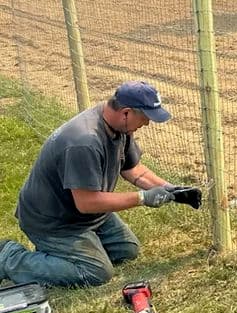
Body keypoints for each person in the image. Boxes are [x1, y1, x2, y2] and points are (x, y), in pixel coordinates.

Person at [0, 80, 186, 288]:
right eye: (145, 118)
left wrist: (173, 190)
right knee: (95, 272)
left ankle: (64, 254)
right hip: (53, 222)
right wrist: (142, 198)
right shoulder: (84, 142)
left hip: (85, 216)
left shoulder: (119, 128)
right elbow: (87, 203)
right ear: (126, 112)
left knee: (127, 250)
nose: (146, 124)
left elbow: (133, 169)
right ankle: (9, 257)